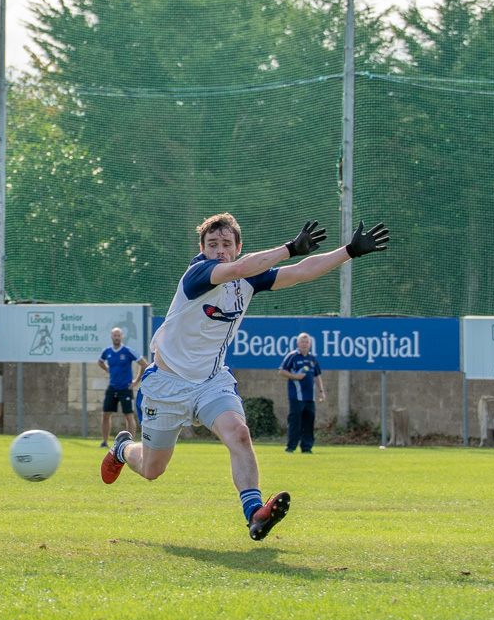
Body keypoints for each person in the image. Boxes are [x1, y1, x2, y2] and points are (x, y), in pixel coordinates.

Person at [100, 214, 388, 541]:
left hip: (211, 382)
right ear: (202, 248)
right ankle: (123, 448)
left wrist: (348, 251)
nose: (219, 251)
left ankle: (254, 513)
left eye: (226, 245)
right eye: (212, 245)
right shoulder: (199, 273)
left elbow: (301, 272)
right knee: (152, 470)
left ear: (238, 247)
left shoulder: (248, 279)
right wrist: (290, 247)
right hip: (167, 386)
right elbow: (240, 268)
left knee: (239, 433)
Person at [279, 332, 324, 454]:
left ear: (310, 344)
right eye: (302, 342)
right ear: (298, 343)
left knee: (308, 422)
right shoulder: (293, 356)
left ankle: (306, 447)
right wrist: (295, 376)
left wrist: (321, 391)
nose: (304, 344)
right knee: (295, 422)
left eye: (306, 342)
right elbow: (282, 371)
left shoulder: (312, 359)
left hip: (310, 397)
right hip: (296, 396)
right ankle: (291, 447)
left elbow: (317, 376)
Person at [97, 327, 142, 448]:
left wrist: (136, 381)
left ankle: (130, 443)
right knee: (105, 414)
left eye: (118, 335)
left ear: (122, 337)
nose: (116, 338)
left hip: (125, 388)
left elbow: (144, 364)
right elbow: (100, 362)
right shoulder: (107, 352)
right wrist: (108, 370)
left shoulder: (128, 351)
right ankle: (104, 442)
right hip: (112, 387)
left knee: (129, 416)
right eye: (114, 335)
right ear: (111, 337)